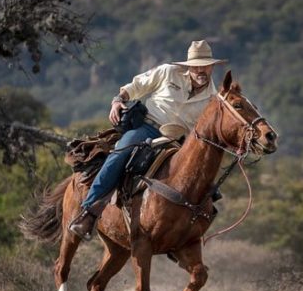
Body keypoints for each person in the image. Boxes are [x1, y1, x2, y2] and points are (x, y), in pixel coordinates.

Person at [68, 40, 226, 240]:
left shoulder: (213, 98)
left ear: (212, 66)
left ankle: (185, 234)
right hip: (148, 128)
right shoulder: (168, 72)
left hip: (179, 142)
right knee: (121, 153)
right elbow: (137, 86)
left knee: (206, 187)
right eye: (197, 65)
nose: (201, 70)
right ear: (189, 66)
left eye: (205, 65)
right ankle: (88, 212)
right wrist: (118, 101)